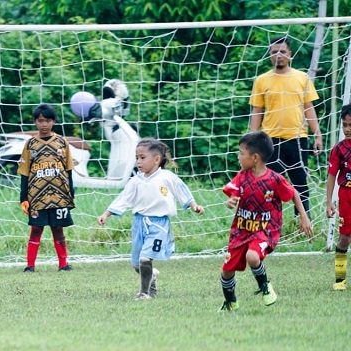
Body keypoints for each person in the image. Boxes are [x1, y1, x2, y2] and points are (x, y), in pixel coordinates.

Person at [97, 139, 204, 300]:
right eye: (137, 157)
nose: (138, 161)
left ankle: (144, 293)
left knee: (145, 258)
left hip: (158, 224)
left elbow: (182, 191)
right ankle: (151, 276)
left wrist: (194, 205)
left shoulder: (167, 176)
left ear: (156, 159)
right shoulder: (135, 181)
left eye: (142, 157)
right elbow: (123, 199)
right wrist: (106, 214)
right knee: (137, 264)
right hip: (139, 224)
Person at [219, 131, 313, 311]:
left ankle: (265, 286)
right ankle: (230, 302)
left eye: (241, 153)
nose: (238, 157)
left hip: (266, 229)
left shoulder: (275, 179)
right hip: (241, 230)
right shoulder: (242, 176)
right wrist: (230, 201)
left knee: (252, 256)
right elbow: (233, 192)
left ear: (255, 158)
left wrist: (304, 216)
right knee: (226, 270)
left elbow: (293, 192)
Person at [249, 36, 322, 218]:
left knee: (300, 184)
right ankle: (270, 222)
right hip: (270, 141)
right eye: (274, 52)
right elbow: (257, 111)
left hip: (298, 140)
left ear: (290, 54)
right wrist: (252, 140)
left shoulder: (302, 78)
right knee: (269, 185)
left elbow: (309, 108)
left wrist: (318, 135)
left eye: (282, 51)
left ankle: (303, 223)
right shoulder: (262, 80)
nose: (278, 55)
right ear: (270, 55)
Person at [17, 103, 75, 273]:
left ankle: (63, 264)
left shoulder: (62, 142)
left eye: (48, 121)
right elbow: (24, 172)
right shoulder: (30, 144)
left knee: (58, 229)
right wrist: (23, 197)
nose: (44, 124)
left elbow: (69, 169)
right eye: (41, 121)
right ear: (35, 122)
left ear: (53, 122)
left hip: (59, 195)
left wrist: (71, 193)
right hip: (37, 196)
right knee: (36, 229)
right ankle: (30, 265)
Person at [326, 104, 351, 291]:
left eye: (350, 125)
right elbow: (332, 176)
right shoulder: (339, 149)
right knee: (344, 237)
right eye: (344, 125)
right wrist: (329, 202)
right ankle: (340, 280)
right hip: (346, 195)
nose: (347, 129)